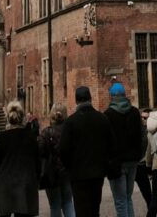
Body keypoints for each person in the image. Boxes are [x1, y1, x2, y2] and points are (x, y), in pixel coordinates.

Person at [59, 85, 117, 217]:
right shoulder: (102, 119)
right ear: (90, 99)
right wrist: (105, 164)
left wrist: (69, 167)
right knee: (94, 209)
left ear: (76, 101)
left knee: (81, 211)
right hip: (97, 173)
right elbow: (112, 145)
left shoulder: (70, 122)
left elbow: (63, 149)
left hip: (78, 175)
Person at [0, 99, 40, 216]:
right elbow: (38, 161)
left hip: (5, 183)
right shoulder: (30, 137)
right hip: (25, 183)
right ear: (22, 118)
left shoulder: (2, 138)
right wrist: (38, 178)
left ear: (8, 118)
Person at [104, 82, 144, 217]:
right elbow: (143, 136)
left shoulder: (108, 114)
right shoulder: (135, 112)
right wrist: (140, 154)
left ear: (112, 97)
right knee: (127, 197)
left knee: (120, 200)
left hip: (117, 163)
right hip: (133, 161)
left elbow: (106, 141)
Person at [38, 102, 75, 217]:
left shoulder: (46, 132)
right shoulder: (70, 131)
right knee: (68, 202)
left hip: (51, 174)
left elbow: (39, 151)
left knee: (55, 205)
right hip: (67, 172)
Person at [135, 109, 152, 214]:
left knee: (149, 193)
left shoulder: (151, 131)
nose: (143, 119)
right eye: (141, 117)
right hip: (139, 164)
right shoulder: (138, 130)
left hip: (148, 164)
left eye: (145, 118)